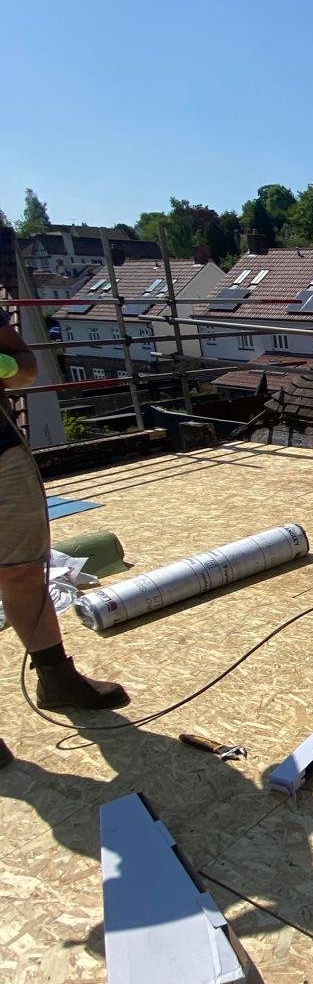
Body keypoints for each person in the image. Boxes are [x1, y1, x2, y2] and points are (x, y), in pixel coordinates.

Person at [0, 303, 128, 767]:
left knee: (23, 573)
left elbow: (26, 369)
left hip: (1, 456)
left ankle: (55, 679)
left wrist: (5, 366)